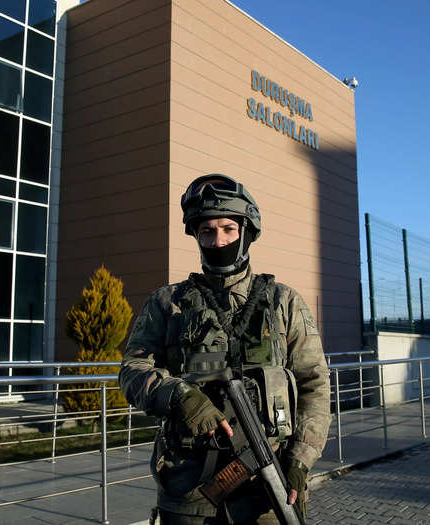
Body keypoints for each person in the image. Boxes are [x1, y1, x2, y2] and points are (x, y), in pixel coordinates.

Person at [119, 174, 330, 524]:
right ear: (196, 236)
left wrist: (300, 460)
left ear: (246, 232)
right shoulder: (167, 303)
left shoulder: (284, 303)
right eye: (207, 231)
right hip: (189, 487)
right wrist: (180, 395)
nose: (218, 241)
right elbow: (132, 371)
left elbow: (314, 384)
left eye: (228, 229)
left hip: (268, 482)